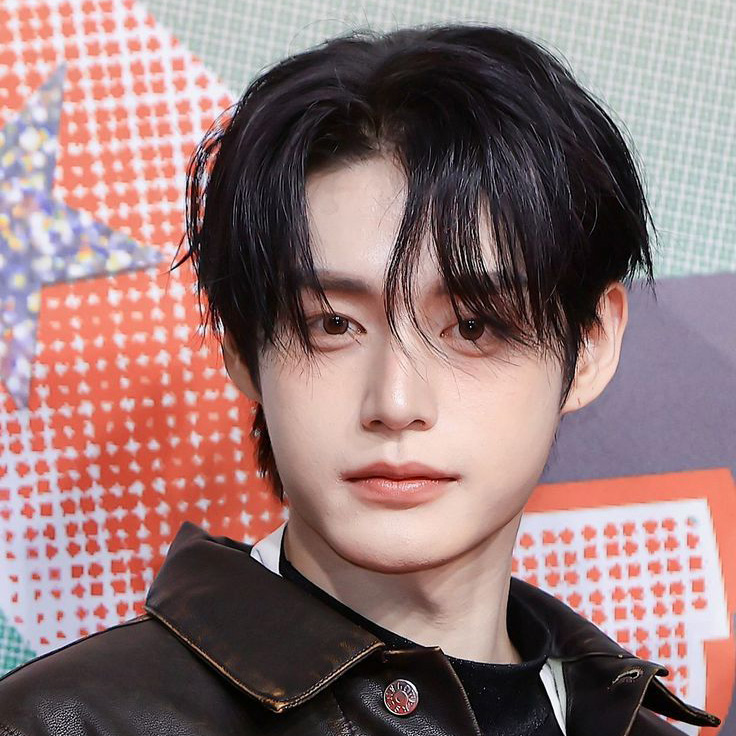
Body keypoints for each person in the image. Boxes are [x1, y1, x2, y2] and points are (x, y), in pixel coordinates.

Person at [0, 22, 722, 736]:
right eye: (332, 324)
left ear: (589, 346)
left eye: (473, 326)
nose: (396, 403)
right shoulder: (66, 723)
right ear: (243, 348)